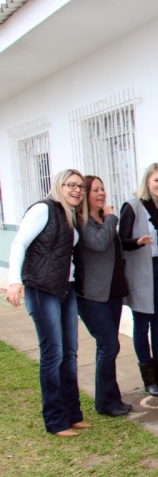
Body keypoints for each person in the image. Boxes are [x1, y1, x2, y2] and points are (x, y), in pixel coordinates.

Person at [7, 170, 91, 436]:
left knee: (70, 352)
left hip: (66, 288)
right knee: (53, 354)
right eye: (71, 185)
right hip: (42, 290)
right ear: (58, 186)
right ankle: (56, 421)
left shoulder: (70, 214)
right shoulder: (43, 209)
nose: (77, 190)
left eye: (81, 186)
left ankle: (73, 414)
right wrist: (14, 281)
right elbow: (19, 243)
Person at [119, 163, 158, 397]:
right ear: (147, 181)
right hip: (141, 270)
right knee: (141, 324)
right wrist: (138, 242)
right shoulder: (133, 206)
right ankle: (149, 379)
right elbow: (121, 241)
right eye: (157, 180)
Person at [74, 175, 131, 416]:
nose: (101, 193)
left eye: (103, 189)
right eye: (95, 190)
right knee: (109, 345)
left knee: (107, 346)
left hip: (112, 293)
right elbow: (98, 243)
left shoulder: (102, 219)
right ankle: (107, 403)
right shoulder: (83, 222)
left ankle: (109, 399)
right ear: (85, 195)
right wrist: (111, 219)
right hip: (93, 296)